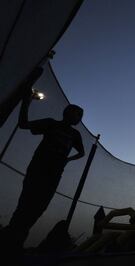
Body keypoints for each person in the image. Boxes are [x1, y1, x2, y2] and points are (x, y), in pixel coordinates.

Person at [0, 66, 85, 256]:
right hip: (38, 169)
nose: (78, 118)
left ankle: (14, 242)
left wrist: (67, 161)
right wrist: (26, 102)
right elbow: (23, 125)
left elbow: (81, 153)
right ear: (67, 113)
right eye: (76, 113)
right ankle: (9, 243)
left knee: (37, 209)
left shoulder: (75, 134)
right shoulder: (51, 124)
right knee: (25, 205)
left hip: (54, 174)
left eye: (80, 115)